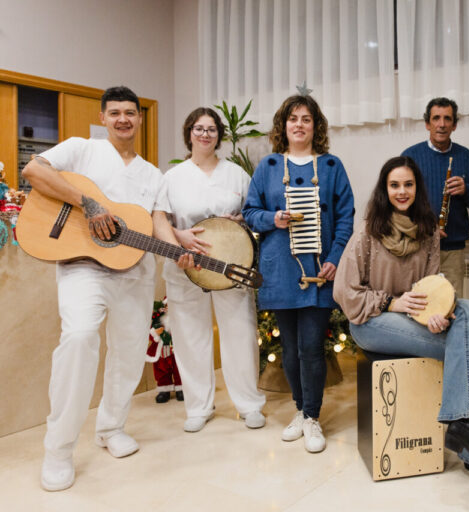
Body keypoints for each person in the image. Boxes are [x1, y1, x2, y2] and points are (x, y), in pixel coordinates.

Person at [21, 86, 192, 491]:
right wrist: (88, 203)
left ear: (139, 118)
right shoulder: (81, 149)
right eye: (114, 112)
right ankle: (59, 450)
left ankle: (111, 427)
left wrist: (177, 249)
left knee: (130, 353)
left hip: (134, 272)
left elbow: (157, 223)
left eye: (130, 112)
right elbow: (33, 170)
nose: (123, 119)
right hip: (82, 266)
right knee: (79, 339)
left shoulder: (153, 174)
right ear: (103, 118)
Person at [334, 156, 469, 484]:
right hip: (371, 322)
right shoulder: (368, 232)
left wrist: (436, 315)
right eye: (394, 185)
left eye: (408, 184)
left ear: (417, 188)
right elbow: (344, 292)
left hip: (412, 322)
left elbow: (432, 288)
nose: (402, 191)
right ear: (385, 190)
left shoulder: (429, 233)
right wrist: (392, 302)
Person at [243, 94, 354, 454]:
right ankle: (300, 410)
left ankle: (312, 416)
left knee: (310, 347)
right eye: (293, 118)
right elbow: (249, 212)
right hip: (280, 269)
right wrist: (272, 219)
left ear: (315, 126)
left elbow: (346, 217)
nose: (300, 125)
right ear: (283, 125)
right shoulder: (269, 166)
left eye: (307, 119)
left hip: (319, 270)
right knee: (289, 351)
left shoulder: (333, 167)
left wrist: (336, 257)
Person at [160, 107, 266, 433]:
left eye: (211, 129)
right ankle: (198, 407)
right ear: (188, 133)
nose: (205, 134)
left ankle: (249, 404)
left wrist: (242, 222)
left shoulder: (236, 175)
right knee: (191, 337)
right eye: (199, 128)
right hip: (185, 267)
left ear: (218, 135)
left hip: (231, 269)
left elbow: (254, 212)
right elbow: (159, 217)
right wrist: (177, 242)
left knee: (241, 334)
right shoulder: (173, 178)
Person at [401, 98, 469, 296]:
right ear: (427, 124)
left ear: (454, 125)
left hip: (453, 250)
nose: (441, 124)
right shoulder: (410, 156)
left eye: (447, 119)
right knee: (419, 306)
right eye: (436, 118)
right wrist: (423, 228)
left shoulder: (465, 156)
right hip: (417, 246)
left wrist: (466, 190)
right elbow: (398, 204)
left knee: (451, 304)